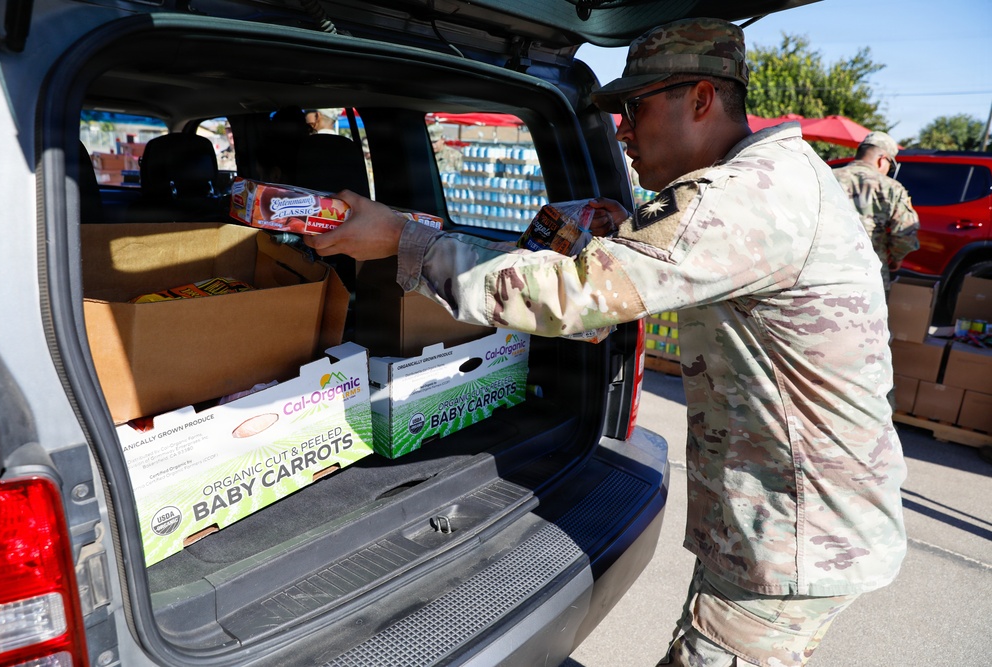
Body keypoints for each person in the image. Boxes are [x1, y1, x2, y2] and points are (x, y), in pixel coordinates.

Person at [305, 17, 907, 667]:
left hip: (793, 533)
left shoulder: (741, 195)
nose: (621, 130)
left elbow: (569, 295)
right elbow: (670, 264)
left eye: (635, 107)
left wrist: (402, 239)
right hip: (802, 512)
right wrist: (624, 231)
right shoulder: (777, 178)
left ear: (701, 99)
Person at [833, 130, 920, 293]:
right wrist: (896, 258)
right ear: (882, 160)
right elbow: (906, 232)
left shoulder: (826, 177)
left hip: (821, 272)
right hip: (867, 276)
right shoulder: (891, 187)